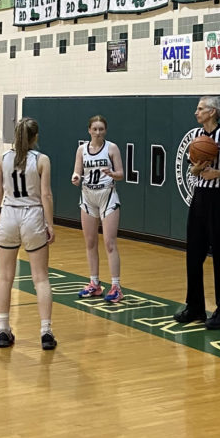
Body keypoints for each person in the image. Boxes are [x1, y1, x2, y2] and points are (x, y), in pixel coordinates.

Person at [173, 96, 220, 329]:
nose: (196, 112)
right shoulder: (198, 138)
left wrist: (219, 173)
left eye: (200, 108)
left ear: (213, 112)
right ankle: (195, 306)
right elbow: (193, 168)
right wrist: (197, 168)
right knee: (193, 253)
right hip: (199, 197)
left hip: (219, 199)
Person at [0, 117, 57, 350]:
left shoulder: (3, 159)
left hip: (9, 214)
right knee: (41, 277)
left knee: (5, 276)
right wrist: (50, 224)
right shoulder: (42, 160)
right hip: (32, 215)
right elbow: (46, 195)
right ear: (35, 136)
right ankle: (46, 332)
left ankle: (3, 330)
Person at [71, 115, 124, 303]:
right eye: (95, 129)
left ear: (105, 130)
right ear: (89, 130)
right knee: (90, 242)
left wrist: (112, 173)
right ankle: (94, 283)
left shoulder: (112, 148)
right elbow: (77, 171)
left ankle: (116, 286)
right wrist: (76, 177)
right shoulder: (81, 150)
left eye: (101, 129)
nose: (98, 132)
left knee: (109, 243)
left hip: (107, 196)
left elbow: (121, 174)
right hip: (88, 197)